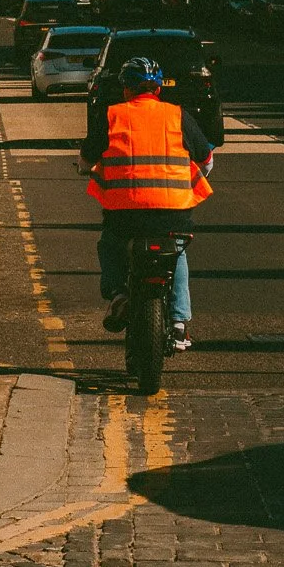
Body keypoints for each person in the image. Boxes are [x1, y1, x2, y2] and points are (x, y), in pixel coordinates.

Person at [80, 56, 214, 353]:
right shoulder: (177, 115)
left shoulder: (112, 115)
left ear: (126, 88)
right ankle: (179, 322)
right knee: (177, 252)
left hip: (125, 214)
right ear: (158, 88)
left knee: (110, 244)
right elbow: (206, 160)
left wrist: (84, 168)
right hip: (173, 213)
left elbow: (86, 159)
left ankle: (118, 294)